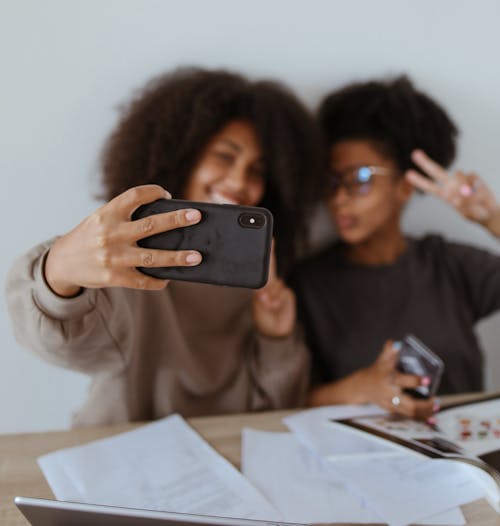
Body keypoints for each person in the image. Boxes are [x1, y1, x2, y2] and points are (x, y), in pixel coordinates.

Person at [6, 67, 323, 426]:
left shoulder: (260, 277)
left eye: (257, 170)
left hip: (223, 457)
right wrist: (59, 271)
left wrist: (276, 338)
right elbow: (63, 344)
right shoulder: (128, 257)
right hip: (118, 454)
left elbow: (275, 408)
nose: (239, 181)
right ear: (184, 154)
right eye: (224, 156)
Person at [290, 75, 500, 420]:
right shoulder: (308, 284)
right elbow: (284, 396)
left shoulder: (449, 265)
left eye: (359, 179)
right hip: (360, 463)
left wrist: (491, 219)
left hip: (468, 461)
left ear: (405, 185)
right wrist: (357, 388)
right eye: (330, 182)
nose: (339, 199)